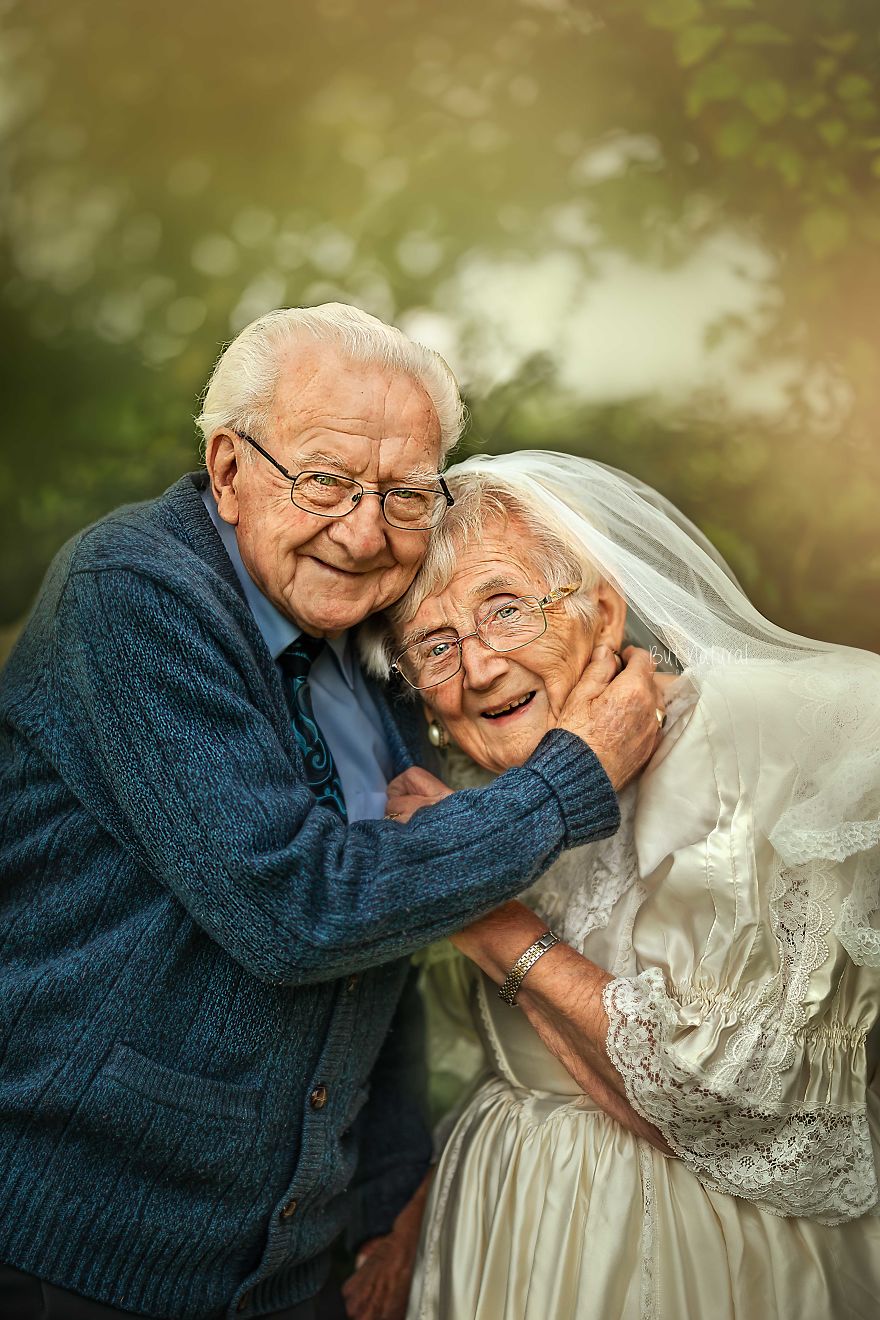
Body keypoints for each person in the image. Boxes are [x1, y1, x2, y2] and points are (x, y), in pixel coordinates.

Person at [0, 309, 664, 1320]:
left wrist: (390, 1201)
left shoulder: (369, 642)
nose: (363, 534)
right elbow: (298, 912)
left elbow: (380, 952)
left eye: (403, 495)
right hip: (90, 1249)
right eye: (325, 482)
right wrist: (569, 778)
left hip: (296, 1266)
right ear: (227, 471)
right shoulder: (133, 594)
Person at [359, 450, 880, 1320]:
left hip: (701, 1260)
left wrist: (476, 911)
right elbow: (501, 1064)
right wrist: (414, 1221)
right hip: (502, 1239)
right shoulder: (486, 801)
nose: (479, 668)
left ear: (603, 611)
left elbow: (744, 1113)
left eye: (507, 609)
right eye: (436, 647)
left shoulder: (753, 740)